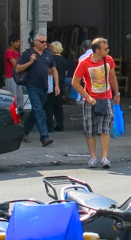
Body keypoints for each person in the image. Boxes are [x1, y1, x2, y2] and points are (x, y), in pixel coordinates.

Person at [72, 38, 120, 168]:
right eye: (105, 49)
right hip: (90, 100)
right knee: (90, 129)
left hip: (106, 97)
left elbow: (112, 77)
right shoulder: (84, 63)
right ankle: (93, 157)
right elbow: (75, 82)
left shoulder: (108, 60)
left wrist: (117, 93)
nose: (108, 50)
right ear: (97, 50)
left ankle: (105, 157)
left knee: (105, 128)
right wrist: (87, 97)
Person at [15, 33, 58, 147]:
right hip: (32, 85)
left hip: (44, 86)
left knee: (36, 111)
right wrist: (30, 62)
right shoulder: (28, 53)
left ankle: (23, 132)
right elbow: (18, 68)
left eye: (46, 42)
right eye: (42, 42)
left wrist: (56, 85)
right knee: (39, 111)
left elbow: (54, 69)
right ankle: (44, 137)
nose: (45, 44)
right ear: (36, 42)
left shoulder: (48, 54)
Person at [46, 41, 68, 132]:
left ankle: (49, 125)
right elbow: (66, 72)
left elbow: (49, 71)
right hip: (61, 84)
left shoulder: (51, 59)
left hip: (52, 84)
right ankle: (60, 124)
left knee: (49, 105)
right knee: (59, 105)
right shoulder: (64, 60)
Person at [3, 34, 22, 100]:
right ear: (12, 42)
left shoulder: (18, 52)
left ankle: (19, 108)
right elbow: (15, 64)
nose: (18, 44)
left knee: (19, 94)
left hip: (18, 76)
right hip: (10, 76)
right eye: (17, 42)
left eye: (19, 42)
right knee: (13, 95)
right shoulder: (9, 52)